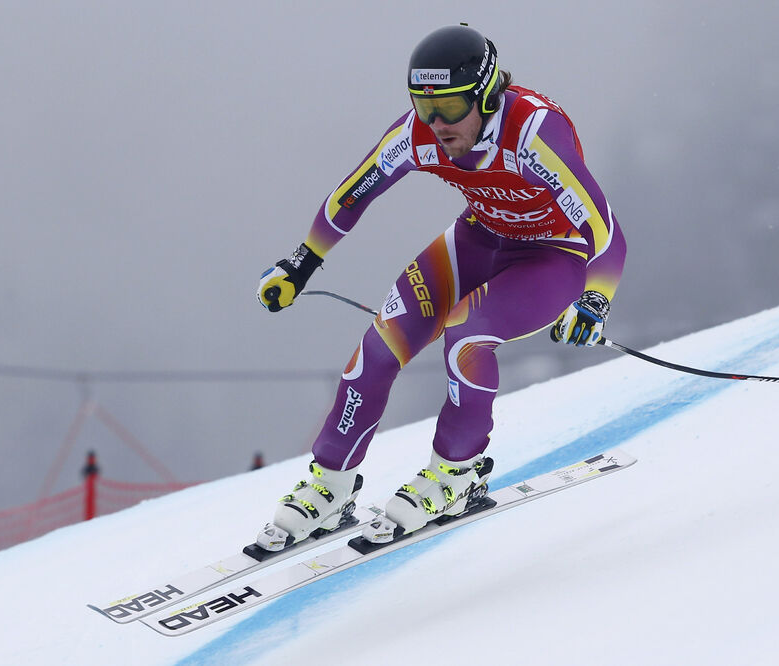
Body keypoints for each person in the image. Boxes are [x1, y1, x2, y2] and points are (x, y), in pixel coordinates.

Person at [255, 24, 626, 548]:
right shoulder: (419, 133)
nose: (435, 123)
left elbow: (607, 232)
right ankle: (331, 484)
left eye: (450, 107)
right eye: (423, 106)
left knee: (467, 335)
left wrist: (595, 298)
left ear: (488, 95)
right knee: (380, 345)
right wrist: (301, 263)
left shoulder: (534, 133)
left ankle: (457, 474)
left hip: (551, 256)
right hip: (478, 239)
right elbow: (353, 193)